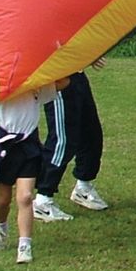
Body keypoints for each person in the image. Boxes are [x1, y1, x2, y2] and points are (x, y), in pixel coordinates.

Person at [0, 78, 69, 264]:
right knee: (3, 200)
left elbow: (64, 82)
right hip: (5, 147)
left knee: (25, 197)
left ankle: (24, 245)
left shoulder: (36, 88)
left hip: (29, 147)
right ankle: (1, 227)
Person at [33, 58, 108, 222]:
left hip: (77, 74)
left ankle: (83, 186)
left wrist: (91, 55)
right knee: (62, 140)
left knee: (91, 134)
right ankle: (42, 200)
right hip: (58, 78)